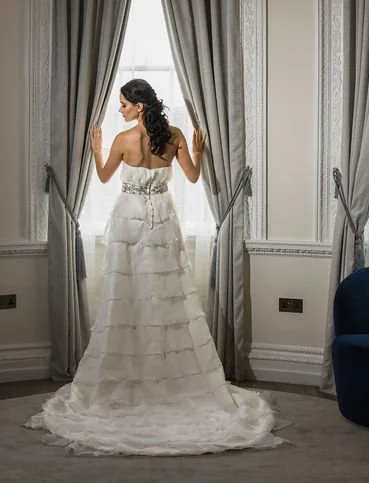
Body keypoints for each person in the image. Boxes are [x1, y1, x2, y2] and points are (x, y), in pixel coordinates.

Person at [25, 78, 286, 456]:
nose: (120, 110)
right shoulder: (175, 134)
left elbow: (102, 176)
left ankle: (138, 376)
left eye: (124, 105)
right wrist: (197, 152)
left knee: (129, 297)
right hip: (163, 218)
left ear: (139, 107)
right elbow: (194, 176)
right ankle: (163, 375)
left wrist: (97, 150)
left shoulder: (122, 140)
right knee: (166, 296)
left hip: (129, 219)